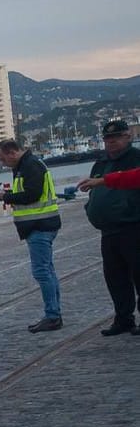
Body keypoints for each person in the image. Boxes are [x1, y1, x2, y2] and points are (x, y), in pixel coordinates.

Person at [75, 119, 140, 336]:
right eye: (107, 139)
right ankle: (123, 319)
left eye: (115, 137)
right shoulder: (101, 163)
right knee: (115, 277)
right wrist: (90, 207)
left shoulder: (136, 158)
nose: (110, 142)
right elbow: (94, 189)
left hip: (133, 226)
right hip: (108, 230)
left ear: (128, 136)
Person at [0, 138, 63, 332]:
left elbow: (32, 194)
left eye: (2, 158)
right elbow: (28, 193)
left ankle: (53, 315)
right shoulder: (24, 166)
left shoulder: (30, 165)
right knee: (47, 270)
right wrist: (9, 194)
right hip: (40, 225)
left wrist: (5, 197)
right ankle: (54, 313)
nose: (2, 162)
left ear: (12, 153)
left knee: (42, 271)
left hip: (40, 225)